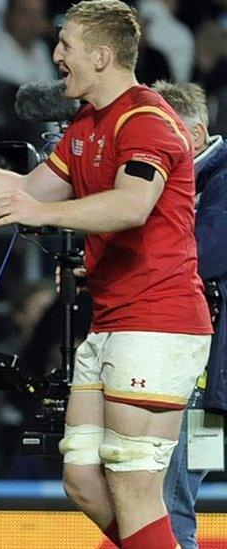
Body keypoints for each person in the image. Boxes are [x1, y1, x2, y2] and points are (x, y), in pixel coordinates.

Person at [0, 2, 211, 547]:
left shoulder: (145, 119)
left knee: (134, 486)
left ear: (101, 57)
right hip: (111, 323)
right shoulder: (88, 123)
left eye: (66, 46)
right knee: (81, 479)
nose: (55, 55)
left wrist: (44, 214)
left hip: (158, 323)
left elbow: (131, 206)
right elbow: (19, 190)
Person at [153, 80, 227, 549]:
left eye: (163, 140)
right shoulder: (199, 181)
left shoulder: (219, 180)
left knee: (170, 493)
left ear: (195, 136)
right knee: (173, 487)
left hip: (207, 360)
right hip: (207, 362)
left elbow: (206, 255)